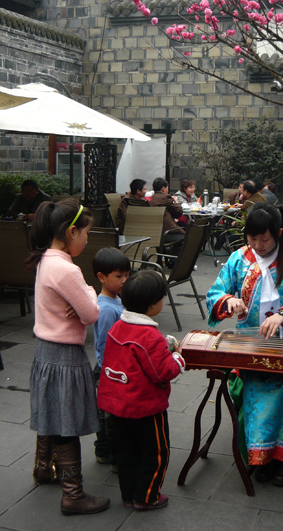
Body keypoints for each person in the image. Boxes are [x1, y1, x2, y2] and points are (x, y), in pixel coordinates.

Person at [206, 202, 283, 487]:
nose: (258, 244)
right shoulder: (237, 259)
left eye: (265, 238)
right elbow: (216, 291)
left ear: (278, 233)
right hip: (250, 345)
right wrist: (229, 300)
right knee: (256, 393)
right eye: (252, 238)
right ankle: (261, 457)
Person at [27, 198, 110, 515]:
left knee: (52, 411)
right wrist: (90, 290)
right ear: (71, 231)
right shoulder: (66, 269)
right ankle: (72, 495)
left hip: (44, 351)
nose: (88, 239)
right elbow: (91, 313)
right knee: (68, 422)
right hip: (64, 355)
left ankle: (43, 468)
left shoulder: (46, 259)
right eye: (86, 233)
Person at [97, 271, 186, 511]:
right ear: (152, 305)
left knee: (126, 452)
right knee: (156, 452)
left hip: (118, 404)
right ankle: (147, 496)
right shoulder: (149, 336)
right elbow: (163, 372)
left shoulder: (118, 326)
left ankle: (129, 495)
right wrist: (178, 357)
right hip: (145, 406)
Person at [92, 247, 131, 469]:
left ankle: (107, 451)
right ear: (102, 277)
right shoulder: (106, 309)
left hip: (113, 368)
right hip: (108, 369)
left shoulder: (116, 300)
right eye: (119, 276)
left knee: (108, 414)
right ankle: (109, 454)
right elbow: (105, 345)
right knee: (108, 416)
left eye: (127, 275)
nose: (125, 280)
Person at [149, 177, 185, 249]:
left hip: (155, 232)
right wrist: (176, 202)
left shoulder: (152, 199)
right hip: (166, 233)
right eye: (167, 188)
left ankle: (172, 257)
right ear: (163, 189)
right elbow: (179, 213)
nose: (167, 190)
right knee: (186, 237)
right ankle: (175, 259)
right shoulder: (165, 197)